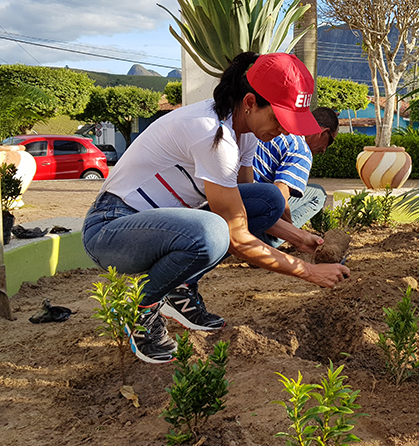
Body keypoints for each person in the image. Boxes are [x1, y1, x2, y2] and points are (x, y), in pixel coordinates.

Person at [81, 52, 350, 363]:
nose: (285, 131)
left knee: (268, 199)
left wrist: (300, 239)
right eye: (280, 119)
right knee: (213, 233)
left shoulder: (243, 133)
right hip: (112, 230)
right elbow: (236, 236)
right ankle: (142, 310)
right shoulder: (213, 135)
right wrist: (309, 271)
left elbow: (244, 209)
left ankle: (178, 289)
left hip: (161, 229)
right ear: (250, 102)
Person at [254, 106, 339, 248]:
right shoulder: (301, 150)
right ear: (323, 132)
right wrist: (296, 236)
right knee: (318, 194)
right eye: (329, 142)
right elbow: (279, 197)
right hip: (254, 213)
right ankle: (264, 242)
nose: (324, 150)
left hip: (236, 201)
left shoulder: (275, 131)